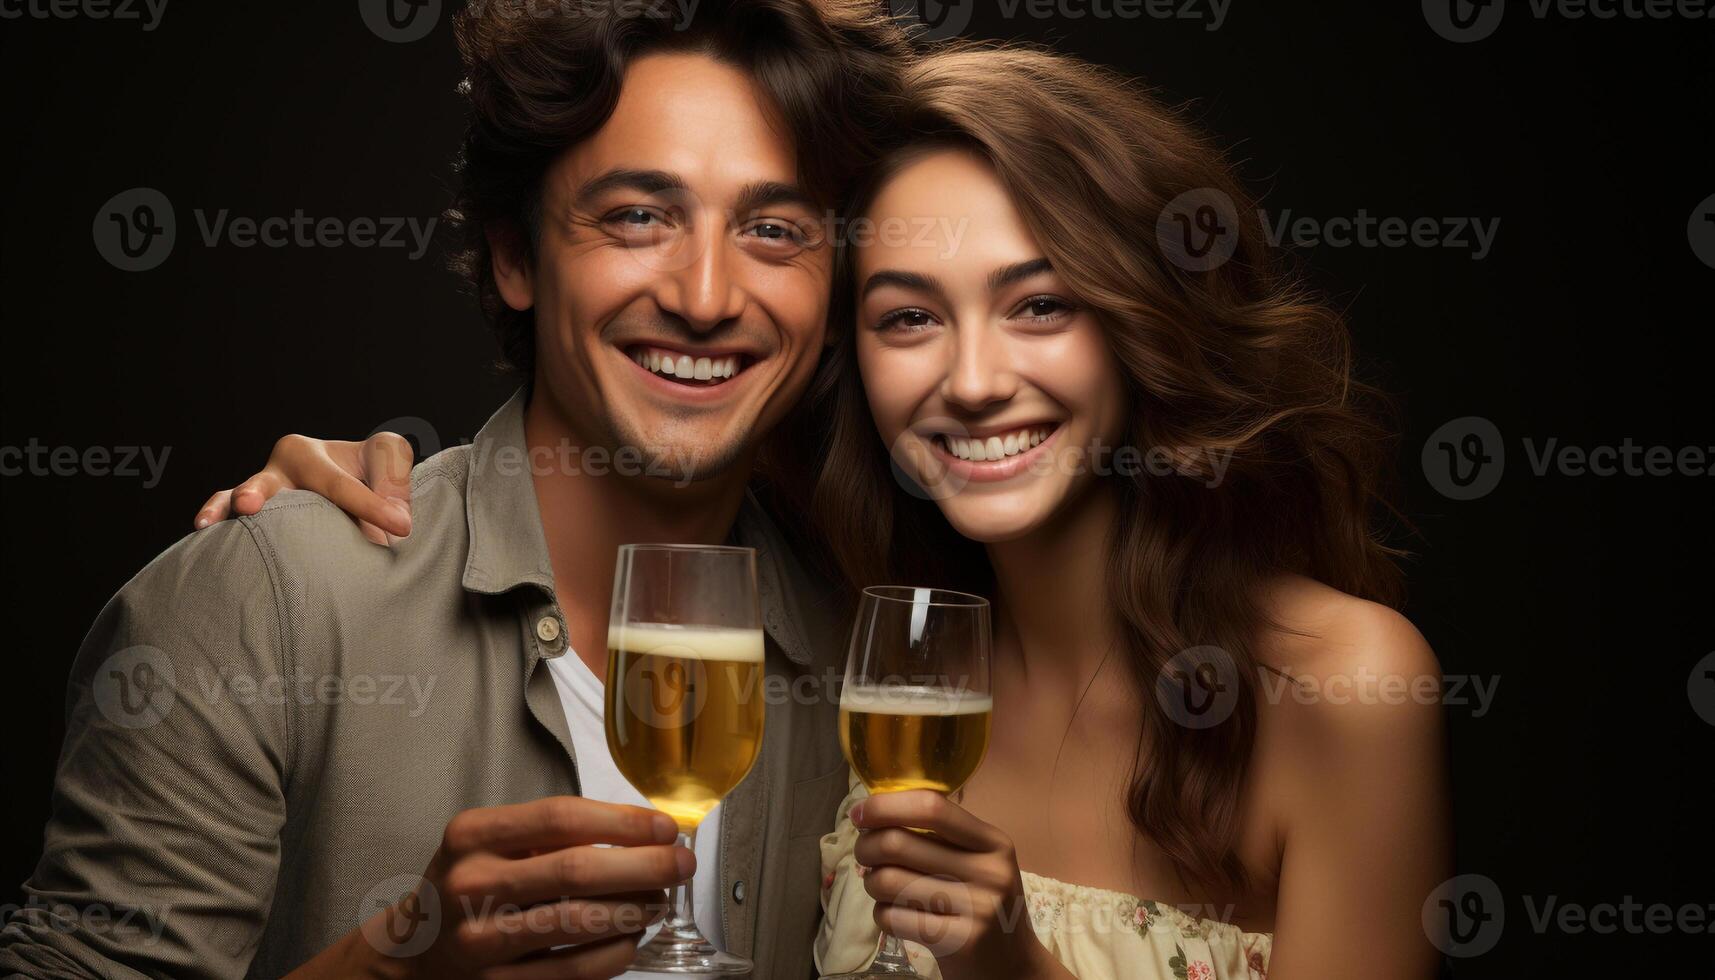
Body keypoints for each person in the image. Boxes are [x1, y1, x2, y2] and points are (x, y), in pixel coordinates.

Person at [212, 43, 1454, 980]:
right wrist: (343, 495)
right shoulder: (841, 630)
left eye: (1038, 304)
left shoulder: (1335, 686)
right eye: (908, 315)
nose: (971, 379)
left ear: (1144, 323)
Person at [0, 3, 910, 978]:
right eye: (638, 217)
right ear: (514, 254)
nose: (703, 296)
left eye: (773, 230)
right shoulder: (264, 604)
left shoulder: (873, 648)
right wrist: (389, 963)